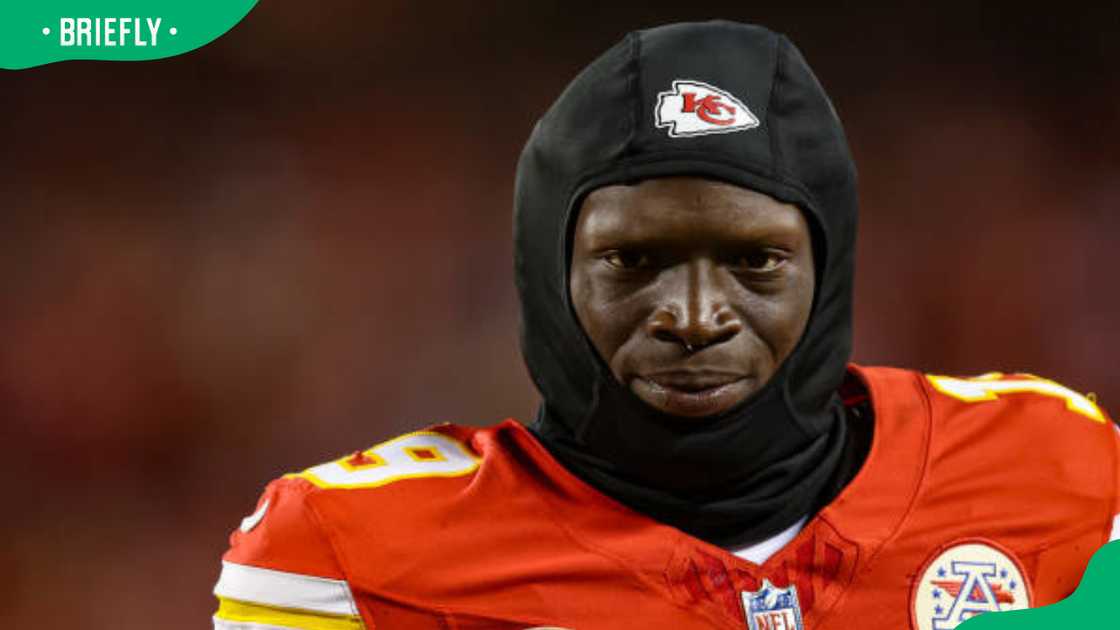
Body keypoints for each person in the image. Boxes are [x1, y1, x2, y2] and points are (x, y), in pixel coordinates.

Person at [210, 20, 1118, 630]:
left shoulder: (1050, 466)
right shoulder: (346, 557)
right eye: (632, 262)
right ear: (546, 272)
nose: (693, 317)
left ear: (829, 266)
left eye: (755, 261)